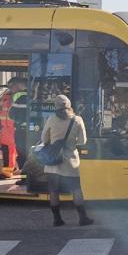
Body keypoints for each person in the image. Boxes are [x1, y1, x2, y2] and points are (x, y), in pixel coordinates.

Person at [42, 95, 92, 226]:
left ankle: (57, 219)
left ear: (56, 107)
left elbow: (43, 139)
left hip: (53, 162)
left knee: (53, 191)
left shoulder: (51, 119)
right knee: (76, 190)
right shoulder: (77, 120)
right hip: (70, 163)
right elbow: (82, 141)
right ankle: (82, 218)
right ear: (69, 105)